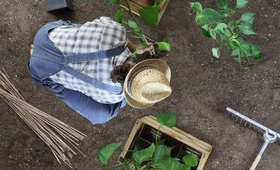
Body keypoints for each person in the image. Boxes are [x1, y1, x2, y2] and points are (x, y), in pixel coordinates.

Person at [28, 17, 172, 124]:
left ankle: (41, 50)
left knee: (89, 30)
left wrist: (133, 47)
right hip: (40, 70)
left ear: (146, 64)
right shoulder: (114, 95)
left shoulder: (116, 31)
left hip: (45, 35)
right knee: (103, 115)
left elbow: (100, 22)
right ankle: (38, 57)